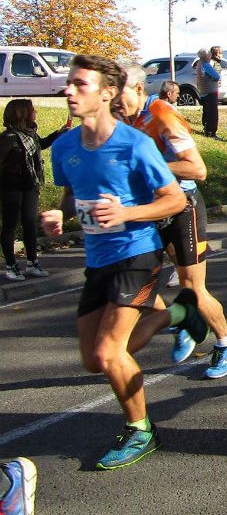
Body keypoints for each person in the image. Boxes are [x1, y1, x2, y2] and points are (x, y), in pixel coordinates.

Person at [42, 54, 208, 470]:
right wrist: (58, 216)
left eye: (80, 84)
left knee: (111, 352)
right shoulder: (63, 147)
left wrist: (126, 213)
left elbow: (173, 199)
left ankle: (141, 430)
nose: (69, 91)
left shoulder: (134, 144)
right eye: (70, 83)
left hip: (137, 253)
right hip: (98, 260)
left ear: (107, 93)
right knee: (92, 360)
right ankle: (180, 313)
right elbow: (70, 195)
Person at [117, 64, 227, 378]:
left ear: (138, 89)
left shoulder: (162, 116)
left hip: (181, 206)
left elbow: (197, 169)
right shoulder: (120, 119)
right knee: (137, 285)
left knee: (192, 288)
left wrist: (150, 165)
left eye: (118, 92)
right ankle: (178, 319)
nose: (113, 100)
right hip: (147, 209)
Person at [1, 99, 70, 281]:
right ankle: (11, 265)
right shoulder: (8, 138)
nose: (36, 112)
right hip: (11, 189)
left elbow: (41, 144)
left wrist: (58, 133)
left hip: (30, 186)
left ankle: (32, 262)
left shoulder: (30, 135)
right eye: (32, 110)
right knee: (10, 226)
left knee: (30, 224)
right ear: (22, 113)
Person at [195, 48, 221, 137]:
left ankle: (206, 129)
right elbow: (216, 76)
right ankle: (211, 132)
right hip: (210, 92)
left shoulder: (199, 64)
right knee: (213, 113)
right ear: (206, 56)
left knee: (206, 112)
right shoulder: (206, 65)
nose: (210, 55)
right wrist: (215, 78)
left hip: (203, 92)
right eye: (209, 54)